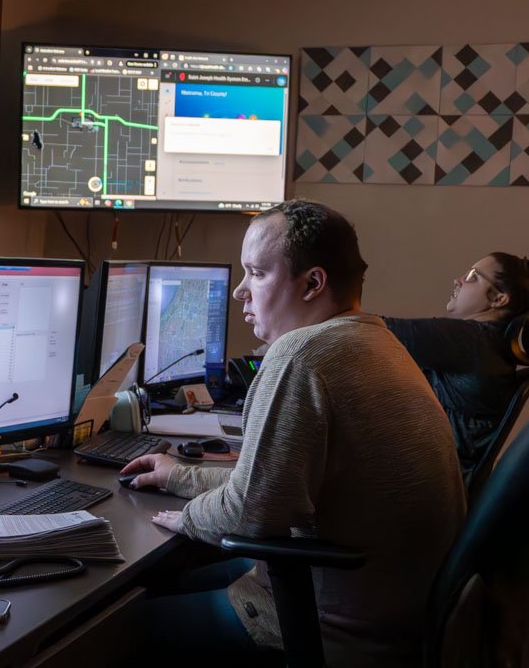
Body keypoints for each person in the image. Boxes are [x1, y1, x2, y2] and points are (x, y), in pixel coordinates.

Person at [121, 200, 465, 667]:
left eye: (257, 273)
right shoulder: (376, 341)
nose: (242, 291)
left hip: (334, 630)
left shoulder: (301, 356)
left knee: (116, 632)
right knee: (177, 581)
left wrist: (188, 518)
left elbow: (251, 513)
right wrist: (178, 476)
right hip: (391, 611)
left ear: (312, 283)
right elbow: (271, 484)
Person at [384, 253, 529, 484]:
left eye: (473, 276)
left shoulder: (472, 341)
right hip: (441, 494)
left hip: (422, 493)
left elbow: (371, 330)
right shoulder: (492, 348)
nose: (458, 280)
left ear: (499, 299)